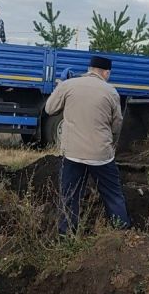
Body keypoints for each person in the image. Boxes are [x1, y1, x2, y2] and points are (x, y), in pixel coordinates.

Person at [44, 55, 131, 234]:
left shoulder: (69, 85)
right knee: (112, 195)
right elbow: (116, 125)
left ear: (89, 69)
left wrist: (60, 87)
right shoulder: (111, 91)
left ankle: (66, 233)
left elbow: (50, 109)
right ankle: (121, 231)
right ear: (106, 73)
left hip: (72, 153)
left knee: (70, 194)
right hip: (100, 155)